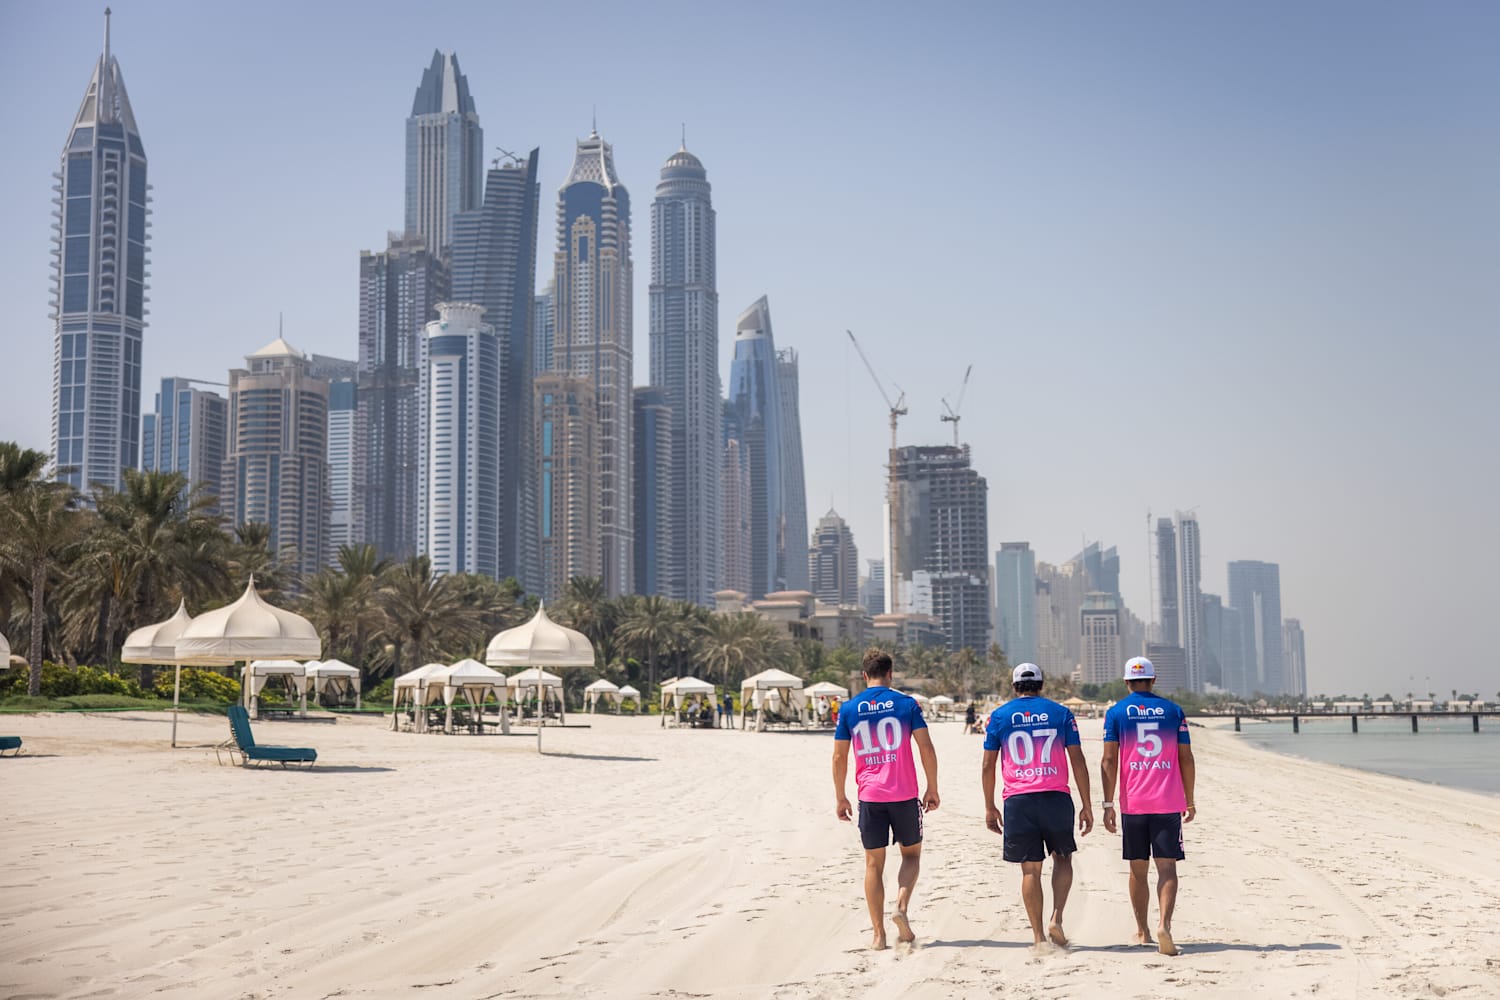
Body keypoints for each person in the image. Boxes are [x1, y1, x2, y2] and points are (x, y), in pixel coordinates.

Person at [831, 649, 940, 950]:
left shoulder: (849, 709)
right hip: (904, 794)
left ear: (864, 675)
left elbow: (839, 757)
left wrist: (840, 797)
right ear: (890, 674)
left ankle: (878, 935)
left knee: (872, 865)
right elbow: (926, 748)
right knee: (911, 856)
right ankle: (901, 906)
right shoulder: (907, 704)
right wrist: (932, 787)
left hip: (870, 797)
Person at [981, 663, 1094, 948]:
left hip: (1018, 800)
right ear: (1042, 685)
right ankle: (1057, 917)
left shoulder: (999, 716)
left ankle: (1038, 937)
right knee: (1063, 858)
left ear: (1014, 687)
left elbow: (987, 765)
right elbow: (1077, 760)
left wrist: (989, 806)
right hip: (1055, 797)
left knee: (1030, 870)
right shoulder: (1061, 713)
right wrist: (1087, 804)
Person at [1101, 655, 1196, 956]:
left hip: (1134, 803)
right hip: (1167, 801)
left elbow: (1108, 760)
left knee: (1137, 869)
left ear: (1126, 682)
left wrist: (1107, 803)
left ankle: (1142, 931)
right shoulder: (1173, 711)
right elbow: (1186, 758)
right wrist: (1190, 799)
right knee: (1167, 867)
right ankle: (1164, 925)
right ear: (1153, 680)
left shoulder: (1116, 713)